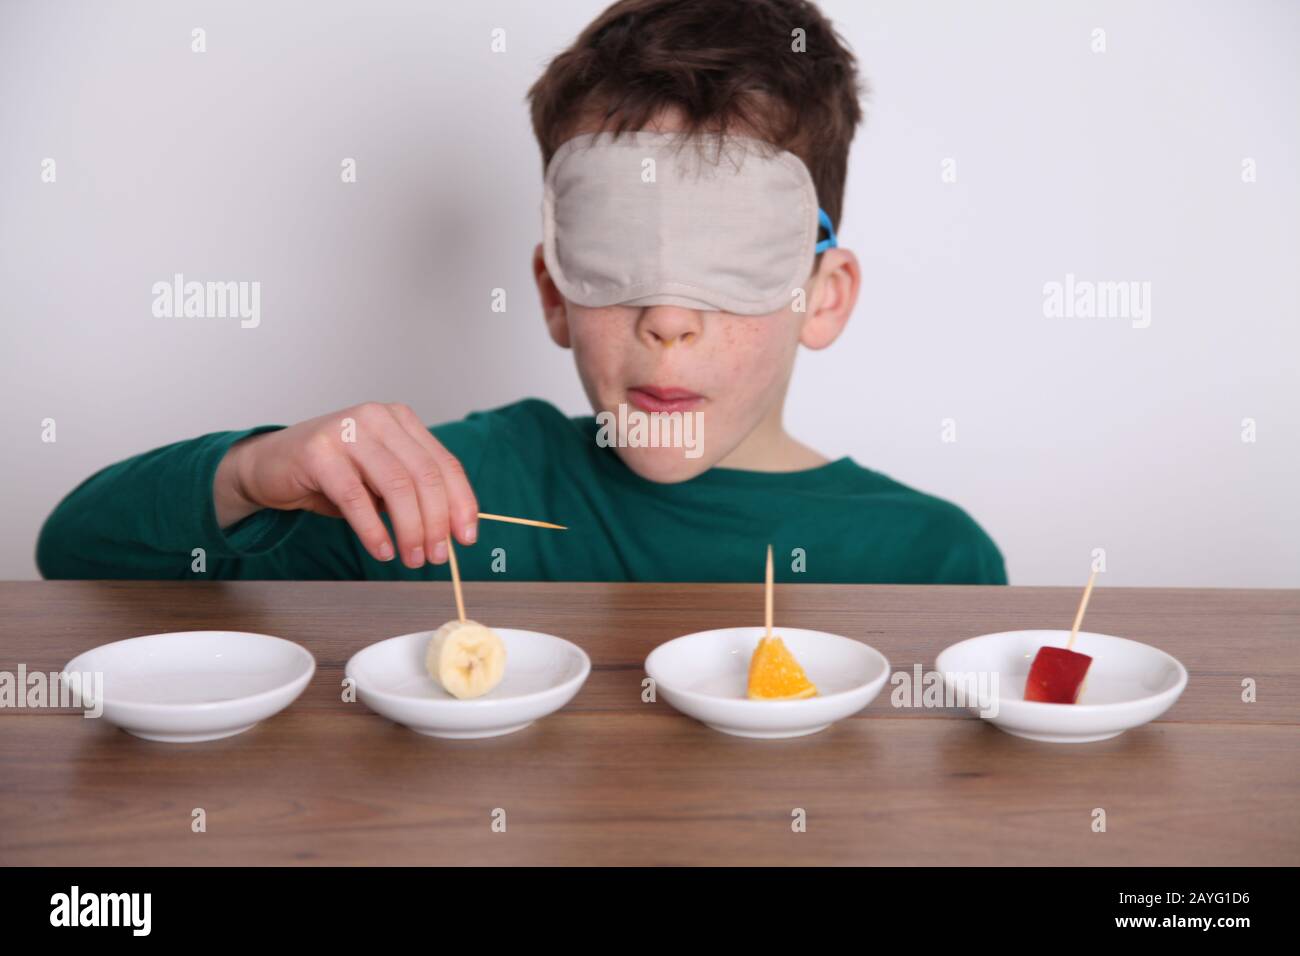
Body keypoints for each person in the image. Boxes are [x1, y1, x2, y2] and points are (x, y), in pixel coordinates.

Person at [37, 0, 1006, 585]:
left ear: (823, 295)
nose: (667, 318)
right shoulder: (456, 503)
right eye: (617, 252)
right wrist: (249, 472)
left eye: (728, 250)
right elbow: (76, 553)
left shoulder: (933, 561)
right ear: (552, 291)